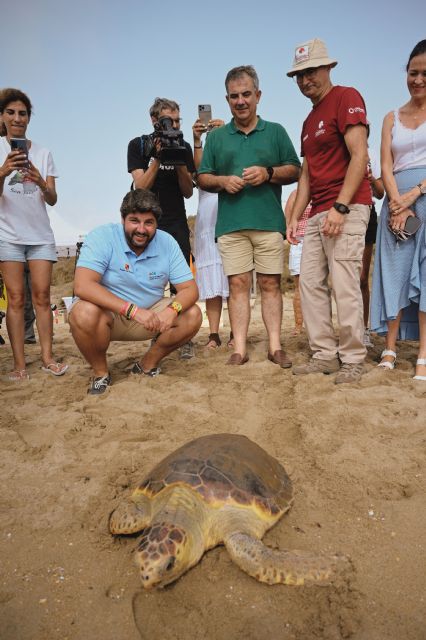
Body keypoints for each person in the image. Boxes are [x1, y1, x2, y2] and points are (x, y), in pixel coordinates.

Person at [198, 65, 301, 366]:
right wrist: (222, 181)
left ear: (258, 95)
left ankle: (274, 346)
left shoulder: (276, 131)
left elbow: (295, 169)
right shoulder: (216, 138)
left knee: (271, 284)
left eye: (246, 94)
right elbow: (202, 177)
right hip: (230, 225)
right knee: (238, 286)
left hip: (269, 222)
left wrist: (268, 172)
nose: (240, 101)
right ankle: (239, 349)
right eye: (234, 96)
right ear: (227, 99)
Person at [286, 39, 372, 384]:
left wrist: (340, 206)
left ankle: (353, 357)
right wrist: (294, 216)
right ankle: (324, 354)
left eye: (311, 71)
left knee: (345, 283)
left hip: (347, 207)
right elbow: (307, 174)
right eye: (299, 74)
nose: (306, 80)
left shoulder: (347, 97)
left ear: (328, 68)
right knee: (309, 283)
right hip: (318, 210)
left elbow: (360, 156)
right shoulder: (308, 121)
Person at [69, 188, 202, 395]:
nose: (141, 229)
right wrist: (132, 310)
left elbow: (190, 289)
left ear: (156, 223)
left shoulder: (167, 242)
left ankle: (147, 364)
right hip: (109, 316)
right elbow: (83, 285)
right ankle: (100, 372)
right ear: (122, 219)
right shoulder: (102, 236)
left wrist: (171, 310)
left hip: (151, 317)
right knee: (82, 313)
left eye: (148, 222)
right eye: (134, 221)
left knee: (192, 314)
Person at [0, 88, 68, 380]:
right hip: (8, 236)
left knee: (42, 297)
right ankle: (19, 365)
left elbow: (52, 198)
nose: (17, 118)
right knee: (15, 299)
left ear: (29, 117)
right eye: (11, 112)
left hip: (40, 236)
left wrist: (41, 180)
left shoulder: (43, 152)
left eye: (23, 113)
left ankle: (48, 358)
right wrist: (3, 172)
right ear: (2, 116)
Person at [371, 40, 426, 381]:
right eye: (413, 72)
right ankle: (389, 346)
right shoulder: (391, 116)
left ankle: (423, 352)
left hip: (421, 195)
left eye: (425, 73)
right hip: (395, 204)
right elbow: (386, 165)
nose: (418, 79)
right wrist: (395, 202)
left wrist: (415, 194)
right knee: (393, 274)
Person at [127, 97, 196, 360]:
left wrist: (178, 159)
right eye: (169, 121)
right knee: (150, 283)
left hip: (177, 221)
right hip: (147, 225)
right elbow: (140, 187)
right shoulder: (139, 145)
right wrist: (157, 158)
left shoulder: (184, 146)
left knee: (181, 285)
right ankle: (155, 331)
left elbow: (188, 192)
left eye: (178, 120)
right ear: (155, 121)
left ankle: (183, 336)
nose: (175, 126)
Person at [192, 116, 230, 349]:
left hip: (228, 214)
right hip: (207, 219)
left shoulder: (228, 147)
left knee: (233, 277)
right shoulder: (204, 155)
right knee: (211, 281)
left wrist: (225, 134)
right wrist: (198, 141)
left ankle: (236, 332)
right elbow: (199, 172)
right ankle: (214, 334)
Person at [361, 143, 384, 348]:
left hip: (367, 212)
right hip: (341, 211)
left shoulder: (373, 154)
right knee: (342, 280)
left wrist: (370, 178)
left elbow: (380, 192)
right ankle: (347, 329)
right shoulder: (339, 147)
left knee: (361, 278)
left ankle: (364, 329)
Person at [284, 190, 311, 335]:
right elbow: (288, 218)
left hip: (318, 240)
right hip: (299, 241)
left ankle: (316, 325)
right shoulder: (295, 194)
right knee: (299, 286)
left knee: (318, 286)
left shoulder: (322, 191)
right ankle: (299, 325)